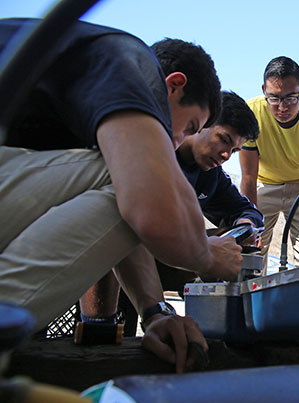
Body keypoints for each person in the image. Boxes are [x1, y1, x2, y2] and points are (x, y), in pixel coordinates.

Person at [0, 18, 242, 373]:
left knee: (133, 179)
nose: (178, 142)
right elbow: (149, 206)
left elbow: (124, 213)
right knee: (143, 181)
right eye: (189, 127)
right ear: (173, 86)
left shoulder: (85, 85)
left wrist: (154, 311)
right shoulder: (130, 62)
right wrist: (206, 255)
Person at [81, 91, 264, 322]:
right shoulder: (155, 149)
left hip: (168, 259)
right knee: (114, 224)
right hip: (121, 251)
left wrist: (244, 226)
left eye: (235, 150)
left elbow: (248, 211)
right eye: (224, 140)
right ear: (201, 123)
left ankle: (219, 323)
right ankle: (98, 326)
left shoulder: (212, 174)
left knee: (230, 244)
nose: (227, 154)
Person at [240, 56, 299, 268]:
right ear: (264, 90)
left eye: (291, 98)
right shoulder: (252, 112)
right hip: (264, 185)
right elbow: (248, 176)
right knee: (252, 253)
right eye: (273, 98)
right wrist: (251, 228)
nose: (282, 107)